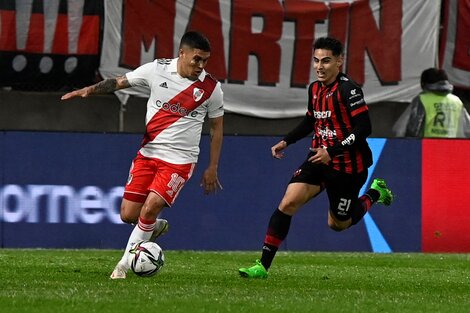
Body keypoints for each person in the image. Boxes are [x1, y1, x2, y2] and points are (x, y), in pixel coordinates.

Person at [61, 31, 224, 279]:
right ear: (182, 53)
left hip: (179, 161)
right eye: (196, 59)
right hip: (148, 154)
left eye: (205, 61)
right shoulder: (156, 70)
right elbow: (118, 82)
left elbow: (216, 127)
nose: (200, 66)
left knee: (150, 209)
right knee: (128, 215)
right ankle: (152, 228)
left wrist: (212, 166)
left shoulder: (211, 88)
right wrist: (88, 90)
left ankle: (123, 267)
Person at [238, 37, 393, 279]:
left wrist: (332, 151)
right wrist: (287, 140)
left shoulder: (348, 90)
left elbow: (364, 127)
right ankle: (262, 266)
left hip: (347, 166)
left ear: (339, 61)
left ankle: (375, 193)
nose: (320, 66)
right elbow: (311, 120)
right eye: (316, 60)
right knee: (288, 202)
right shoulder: (314, 89)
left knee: (338, 224)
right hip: (318, 159)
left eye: (326, 61)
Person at [393, 68, 470, 138]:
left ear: (424, 84)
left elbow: (408, 129)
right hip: (451, 149)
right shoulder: (457, 101)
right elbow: (467, 130)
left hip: (427, 147)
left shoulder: (422, 99)